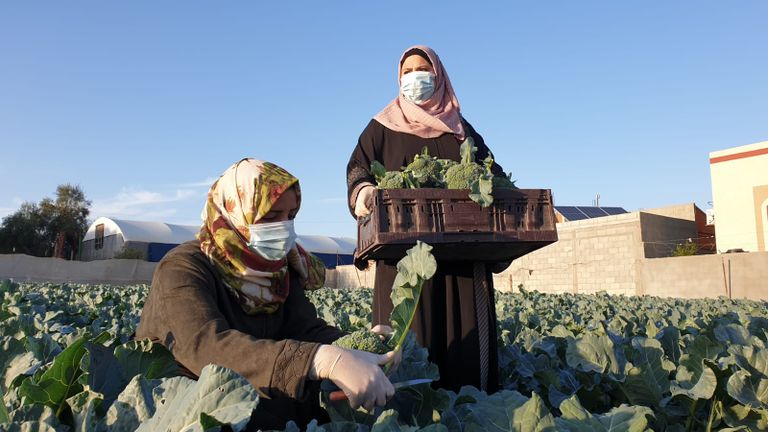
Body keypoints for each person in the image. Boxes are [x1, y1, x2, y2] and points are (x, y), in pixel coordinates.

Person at [136, 158, 398, 430]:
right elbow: (206, 347)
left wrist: (355, 345)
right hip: (188, 408)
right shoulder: (183, 266)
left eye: (291, 216)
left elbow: (304, 328)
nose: (284, 227)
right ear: (233, 210)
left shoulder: (280, 267)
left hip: (264, 392)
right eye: (272, 217)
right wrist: (322, 359)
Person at [346, 45, 506, 393]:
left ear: (439, 75)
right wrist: (362, 192)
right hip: (403, 265)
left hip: (463, 266)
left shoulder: (462, 130)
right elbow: (357, 168)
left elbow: (498, 176)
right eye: (407, 71)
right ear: (398, 78)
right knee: (405, 358)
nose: (414, 77)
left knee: (466, 365)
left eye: (422, 69)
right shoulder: (380, 128)